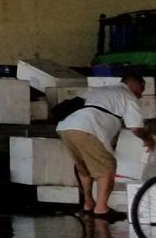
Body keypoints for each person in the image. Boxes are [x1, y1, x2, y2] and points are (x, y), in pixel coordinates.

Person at [57, 76, 153, 220]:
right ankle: (101, 209)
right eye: (141, 89)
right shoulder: (127, 95)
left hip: (66, 127)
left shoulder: (101, 90)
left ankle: (88, 203)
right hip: (87, 127)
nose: (140, 95)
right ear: (132, 83)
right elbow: (136, 128)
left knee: (84, 167)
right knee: (107, 167)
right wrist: (149, 140)